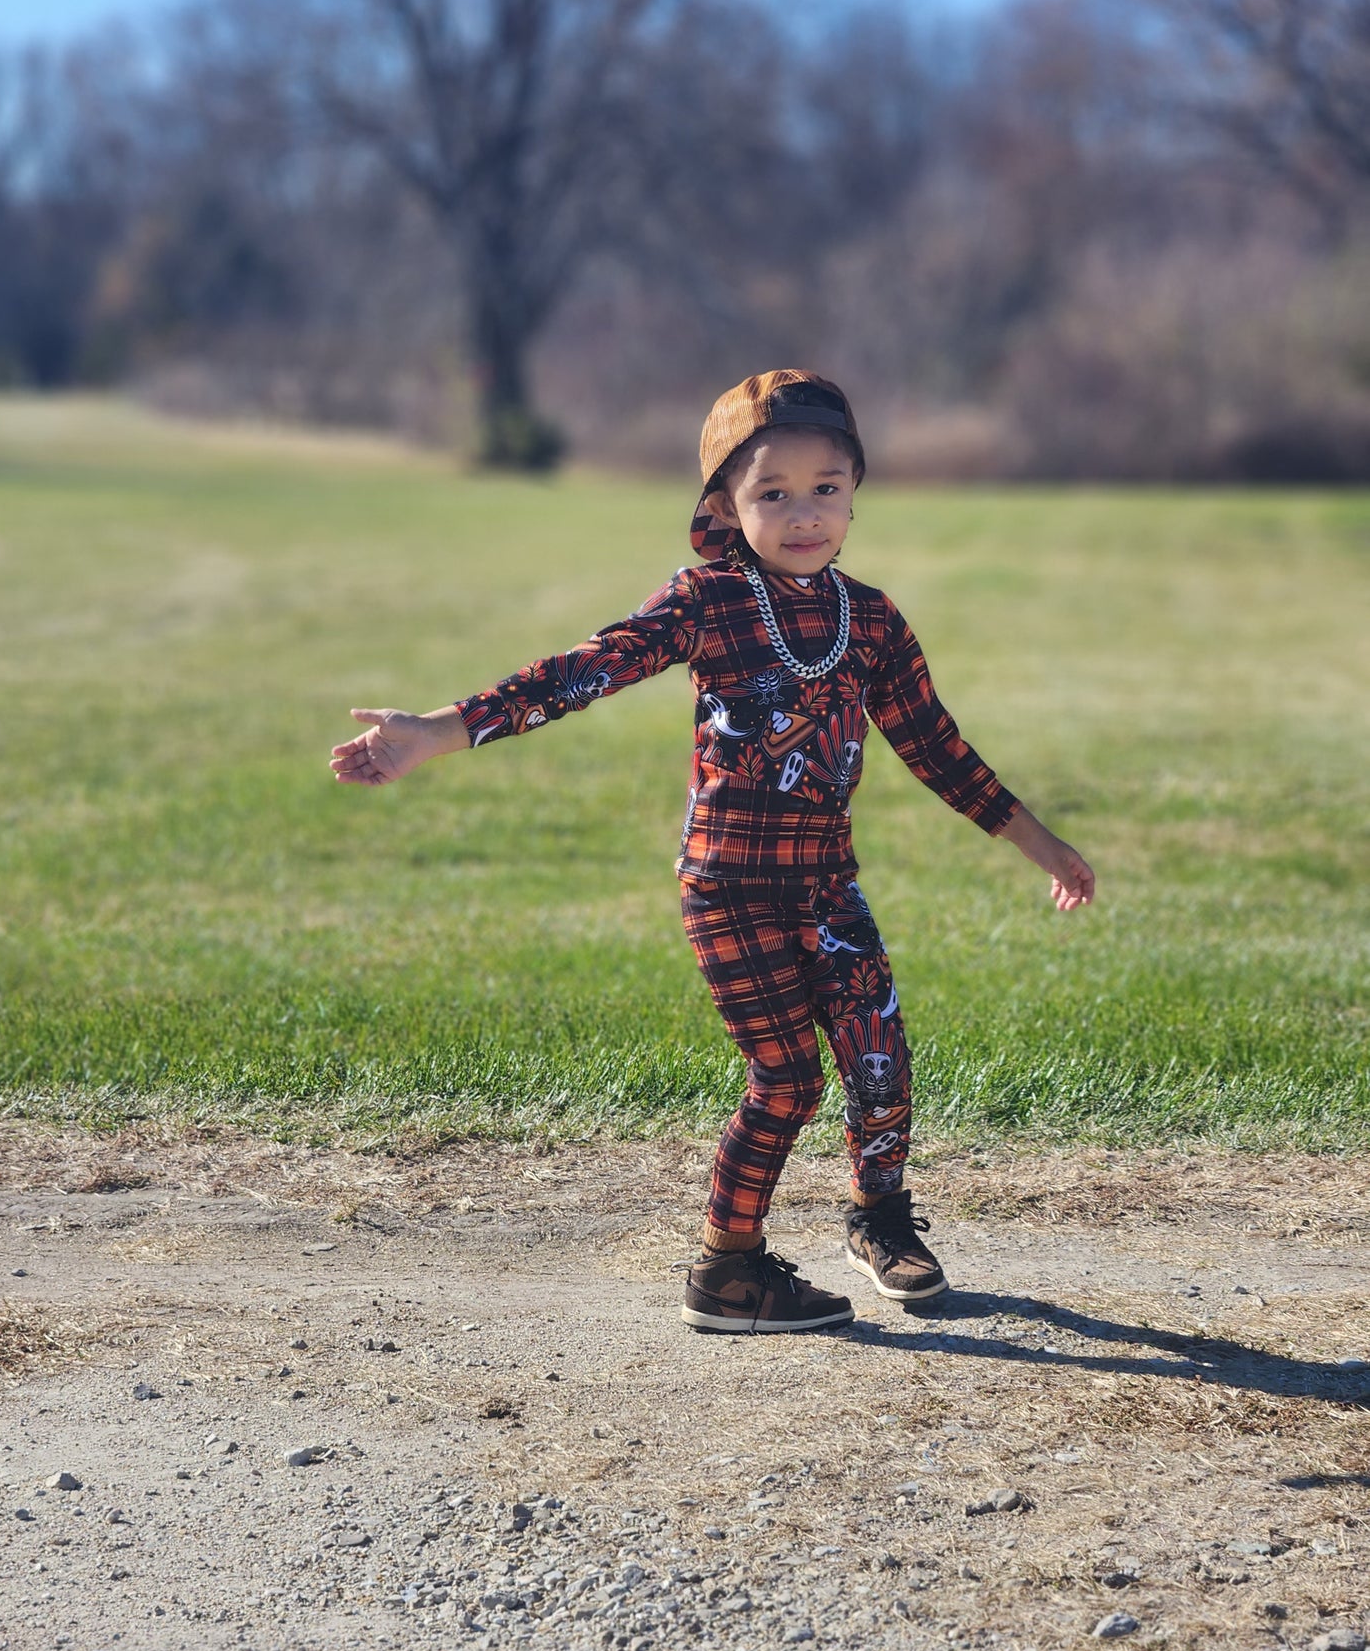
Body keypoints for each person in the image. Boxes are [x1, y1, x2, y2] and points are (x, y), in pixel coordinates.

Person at [330, 371, 1095, 1335]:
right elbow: (588, 668)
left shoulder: (874, 623)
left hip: (825, 887)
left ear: (856, 491)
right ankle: (728, 1271)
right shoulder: (710, 600)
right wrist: (440, 729)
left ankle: (881, 1220)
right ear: (726, 509)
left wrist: (1043, 844)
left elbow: (937, 749)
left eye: (825, 486)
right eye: (771, 491)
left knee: (879, 1057)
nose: (803, 511)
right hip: (728, 888)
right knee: (786, 1078)